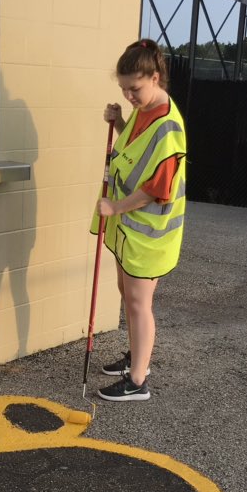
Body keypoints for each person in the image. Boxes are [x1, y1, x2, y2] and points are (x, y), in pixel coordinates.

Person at [91, 38, 187, 402]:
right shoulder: (146, 111)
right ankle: (137, 358)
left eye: (135, 88)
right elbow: (134, 153)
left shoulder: (168, 126)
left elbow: (157, 187)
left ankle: (137, 381)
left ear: (155, 77)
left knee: (138, 303)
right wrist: (119, 123)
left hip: (150, 231)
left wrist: (115, 208)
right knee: (126, 295)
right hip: (132, 228)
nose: (129, 95)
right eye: (123, 89)